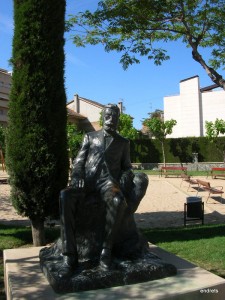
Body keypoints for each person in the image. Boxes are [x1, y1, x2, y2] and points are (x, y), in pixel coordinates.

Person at [58, 103, 144, 277]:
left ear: (118, 120)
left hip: (107, 183)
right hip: (86, 182)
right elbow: (79, 161)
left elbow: (127, 167)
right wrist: (76, 177)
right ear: (103, 117)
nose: (110, 119)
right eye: (108, 115)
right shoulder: (90, 137)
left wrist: (123, 179)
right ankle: (69, 255)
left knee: (118, 201)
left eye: (114, 116)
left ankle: (106, 251)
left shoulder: (123, 142)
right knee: (64, 196)